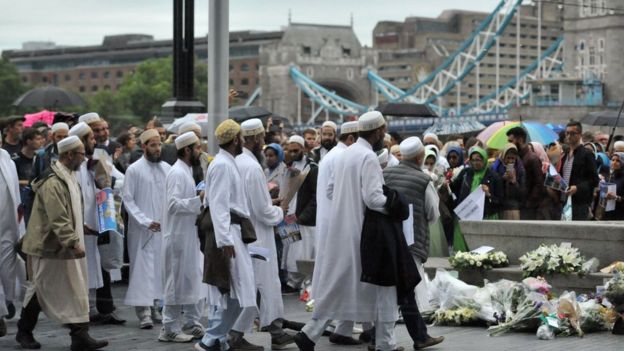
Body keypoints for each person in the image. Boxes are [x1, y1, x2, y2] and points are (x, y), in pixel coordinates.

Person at [294, 111, 400, 351]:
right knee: (378, 285)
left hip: (340, 229)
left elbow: (331, 191)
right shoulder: (369, 158)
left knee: (340, 284)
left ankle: (311, 332)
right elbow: (374, 199)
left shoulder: (343, 155)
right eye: (383, 130)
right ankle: (384, 341)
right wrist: (393, 205)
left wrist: (348, 202)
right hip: (362, 231)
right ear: (379, 131)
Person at [17, 135, 109, 351]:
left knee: (75, 287)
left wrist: (81, 228)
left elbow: (71, 211)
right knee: (41, 289)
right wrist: (72, 240)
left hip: (65, 245)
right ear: (69, 155)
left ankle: (80, 335)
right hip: (49, 247)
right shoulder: (52, 182)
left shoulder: (67, 177)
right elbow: (58, 216)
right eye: (80, 154)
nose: (84, 158)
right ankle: (24, 331)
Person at [229, 118, 294, 350]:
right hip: (258, 236)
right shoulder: (253, 167)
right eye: (261, 137)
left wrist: (269, 203)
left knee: (254, 284)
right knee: (264, 283)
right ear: (255, 139)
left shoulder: (236, 162)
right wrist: (279, 210)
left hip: (245, 233)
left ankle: (268, 330)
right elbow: (262, 210)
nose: (263, 141)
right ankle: (260, 333)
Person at [197, 120, 256, 351]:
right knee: (233, 288)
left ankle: (217, 339)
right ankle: (210, 340)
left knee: (237, 291)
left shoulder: (225, 162)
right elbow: (219, 205)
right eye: (241, 137)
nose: (242, 141)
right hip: (228, 233)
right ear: (235, 140)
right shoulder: (222, 165)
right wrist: (225, 240)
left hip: (233, 231)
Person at [382, 136, 444, 350]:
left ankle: (381, 337)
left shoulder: (385, 174)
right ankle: (416, 337)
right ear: (420, 157)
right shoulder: (424, 179)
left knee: (388, 291)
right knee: (408, 291)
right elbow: (433, 213)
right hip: (411, 242)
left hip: (387, 240)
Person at [312, 121, 365, 346]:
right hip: (339, 224)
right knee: (343, 276)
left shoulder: (333, 155)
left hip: (330, 223)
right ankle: (317, 328)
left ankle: (347, 325)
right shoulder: (341, 157)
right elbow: (336, 192)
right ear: (352, 139)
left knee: (343, 275)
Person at [69, 120, 126, 325]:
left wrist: (112, 185)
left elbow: (116, 179)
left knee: (96, 267)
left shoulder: (94, 161)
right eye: (92, 136)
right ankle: (85, 310)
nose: (96, 139)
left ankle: (98, 308)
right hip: (79, 225)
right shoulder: (71, 166)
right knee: (82, 268)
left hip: (96, 223)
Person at [159, 131, 206, 343]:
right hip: (177, 237)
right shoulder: (177, 173)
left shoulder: (186, 170)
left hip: (188, 236)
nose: (200, 151)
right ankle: (168, 328)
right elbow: (173, 205)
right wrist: (198, 200)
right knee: (175, 283)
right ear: (187, 150)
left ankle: (191, 323)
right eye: (197, 148)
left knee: (192, 280)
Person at [122, 129, 171, 329]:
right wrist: (144, 221)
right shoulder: (133, 170)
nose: (158, 149)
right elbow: (128, 199)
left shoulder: (167, 168)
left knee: (159, 269)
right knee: (142, 270)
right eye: (153, 145)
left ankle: (156, 307)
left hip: (162, 229)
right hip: (141, 230)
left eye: (159, 144)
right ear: (143, 147)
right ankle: (143, 312)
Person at [281, 135, 318, 293]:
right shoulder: (286, 167)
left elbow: (315, 196)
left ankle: (303, 283)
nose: (293, 153)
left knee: (302, 253)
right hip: (287, 216)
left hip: (303, 218)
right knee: (289, 250)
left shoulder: (312, 168)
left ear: (303, 149)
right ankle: (291, 282)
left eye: (296, 150)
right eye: (290, 151)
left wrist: (302, 216)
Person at [450, 146, 502, 251]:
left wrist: (489, 194)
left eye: (478, 160)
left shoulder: (494, 176)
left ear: (484, 159)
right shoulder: (466, 173)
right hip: (465, 214)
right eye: (472, 160)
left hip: (485, 216)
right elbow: (453, 189)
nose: (475, 163)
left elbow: (500, 201)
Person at [0, 133, 24, 337]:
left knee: (8, 268)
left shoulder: (6, 158)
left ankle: (6, 302)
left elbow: (15, 191)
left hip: (8, 223)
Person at [559, 121, 599, 220]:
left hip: (579, 204)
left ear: (580, 135)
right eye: (567, 133)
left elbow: (594, 180)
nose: (569, 136)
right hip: (564, 201)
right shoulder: (565, 154)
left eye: (573, 133)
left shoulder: (587, 154)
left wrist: (577, 188)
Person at [506, 126, 545, 220]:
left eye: (511, 141)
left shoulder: (532, 158)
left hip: (528, 208)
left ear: (520, 139)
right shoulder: (516, 158)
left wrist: (529, 203)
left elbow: (539, 184)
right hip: (517, 205)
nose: (509, 144)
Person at [12, 127, 45, 224]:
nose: (41, 142)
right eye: (38, 139)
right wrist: (28, 183)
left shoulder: (40, 158)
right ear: (28, 141)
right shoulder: (15, 160)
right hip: (21, 201)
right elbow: (11, 181)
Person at [422, 148, 449, 258]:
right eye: (426, 163)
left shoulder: (437, 174)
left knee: (436, 242)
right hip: (422, 213)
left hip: (434, 212)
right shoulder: (418, 174)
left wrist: (442, 186)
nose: (429, 166)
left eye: (432, 163)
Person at [491, 144, 525, 220]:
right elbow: (493, 188)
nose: (510, 161)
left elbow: (522, 193)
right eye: (508, 158)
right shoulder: (495, 168)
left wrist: (514, 182)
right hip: (499, 207)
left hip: (514, 208)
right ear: (503, 157)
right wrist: (502, 179)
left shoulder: (520, 169)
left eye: (513, 158)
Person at [602, 152, 624, 220]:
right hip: (607, 212)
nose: (614, 162)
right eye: (613, 160)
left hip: (620, 215)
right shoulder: (610, 175)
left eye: (618, 161)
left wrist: (616, 197)